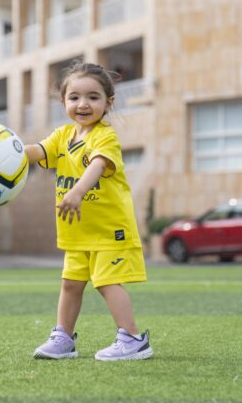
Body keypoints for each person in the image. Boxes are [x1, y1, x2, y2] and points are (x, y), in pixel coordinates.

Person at [24, 62, 153, 361]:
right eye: (75, 97)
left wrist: (77, 191)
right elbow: (37, 152)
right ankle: (63, 338)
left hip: (109, 228)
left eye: (93, 97)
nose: (83, 104)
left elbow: (97, 165)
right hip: (78, 231)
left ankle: (133, 339)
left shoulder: (104, 137)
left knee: (106, 281)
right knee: (70, 284)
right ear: (63, 101)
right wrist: (6, 152)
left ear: (108, 103)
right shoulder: (62, 136)